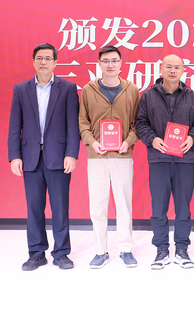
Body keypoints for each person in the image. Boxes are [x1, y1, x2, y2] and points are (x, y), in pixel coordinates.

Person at [8, 43, 80, 271]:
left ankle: (61, 253)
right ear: (33, 62)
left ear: (55, 62)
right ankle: (36, 254)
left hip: (58, 157)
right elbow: (15, 125)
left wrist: (71, 154)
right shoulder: (21, 89)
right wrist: (14, 156)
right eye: (39, 58)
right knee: (34, 209)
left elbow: (73, 124)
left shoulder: (67, 88)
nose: (43, 62)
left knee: (60, 208)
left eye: (48, 58)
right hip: (30, 158)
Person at [135, 54, 194, 270]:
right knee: (158, 208)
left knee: (183, 208)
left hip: (184, 160)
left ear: (183, 70)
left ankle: (182, 249)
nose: (173, 71)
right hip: (159, 159)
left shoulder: (192, 96)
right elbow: (140, 123)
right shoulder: (148, 96)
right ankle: (161, 249)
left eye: (177, 67)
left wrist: (192, 138)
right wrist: (152, 139)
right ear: (161, 69)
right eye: (169, 67)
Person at [79, 46, 140, 269]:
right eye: (106, 61)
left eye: (114, 61)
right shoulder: (88, 90)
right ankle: (100, 251)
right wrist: (92, 142)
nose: (110, 65)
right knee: (98, 206)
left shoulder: (131, 90)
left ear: (121, 63)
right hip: (97, 156)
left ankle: (125, 249)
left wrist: (129, 141)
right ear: (99, 64)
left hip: (123, 156)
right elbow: (82, 123)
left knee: (124, 205)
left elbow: (137, 123)